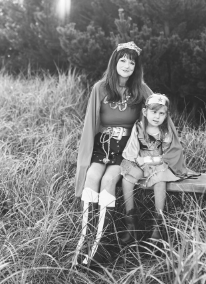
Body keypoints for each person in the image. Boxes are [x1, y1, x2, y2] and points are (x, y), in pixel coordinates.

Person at [72, 41, 153, 267]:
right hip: (102, 147)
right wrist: (85, 158)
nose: (127, 65)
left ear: (136, 66)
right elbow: (90, 123)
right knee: (92, 177)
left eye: (132, 61)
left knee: (109, 179)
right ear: (115, 62)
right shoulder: (100, 87)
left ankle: (102, 245)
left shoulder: (141, 90)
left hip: (126, 150)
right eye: (122, 60)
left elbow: (158, 114)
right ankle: (85, 242)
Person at [120, 93, 195, 242]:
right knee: (128, 177)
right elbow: (131, 152)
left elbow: (168, 155)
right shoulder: (139, 127)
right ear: (145, 112)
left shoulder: (165, 132)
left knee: (159, 180)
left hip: (160, 165)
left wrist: (149, 160)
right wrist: (139, 161)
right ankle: (131, 223)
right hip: (141, 163)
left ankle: (158, 226)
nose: (157, 116)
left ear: (166, 115)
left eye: (161, 113)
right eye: (154, 112)